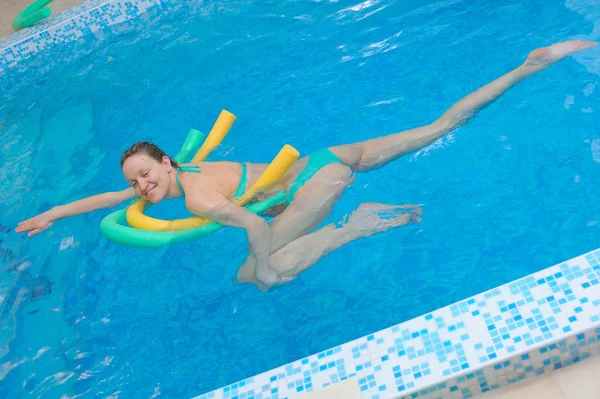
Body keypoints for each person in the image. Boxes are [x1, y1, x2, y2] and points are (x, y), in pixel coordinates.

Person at [17, 40, 597, 291]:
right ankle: (528, 66)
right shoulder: (184, 171)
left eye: (148, 174)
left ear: (167, 164)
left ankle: (359, 222)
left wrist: (265, 266)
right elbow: (106, 202)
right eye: (135, 183)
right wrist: (55, 212)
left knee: (254, 275)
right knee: (441, 125)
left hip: (321, 181)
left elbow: (256, 224)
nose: (141, 187)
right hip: (326, 155)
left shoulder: (195, 200)